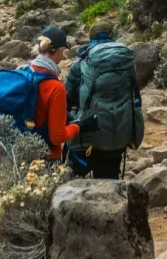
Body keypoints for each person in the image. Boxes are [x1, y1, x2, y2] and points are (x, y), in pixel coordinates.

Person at [64, 28, 143, 180]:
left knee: (69, 182)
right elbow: (136, 99)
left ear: (91, 39)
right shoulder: (126, 63)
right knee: (109, 184)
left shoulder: (80, 65)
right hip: (118, 137)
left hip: (86, 139)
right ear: (113, 38)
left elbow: (66, 99)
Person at [31, 31, 91, 161]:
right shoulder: (56, 87)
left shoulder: (26, 72)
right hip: (46, 156)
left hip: (19, 154)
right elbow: (57, 137)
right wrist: (80, 126)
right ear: (58, 51)